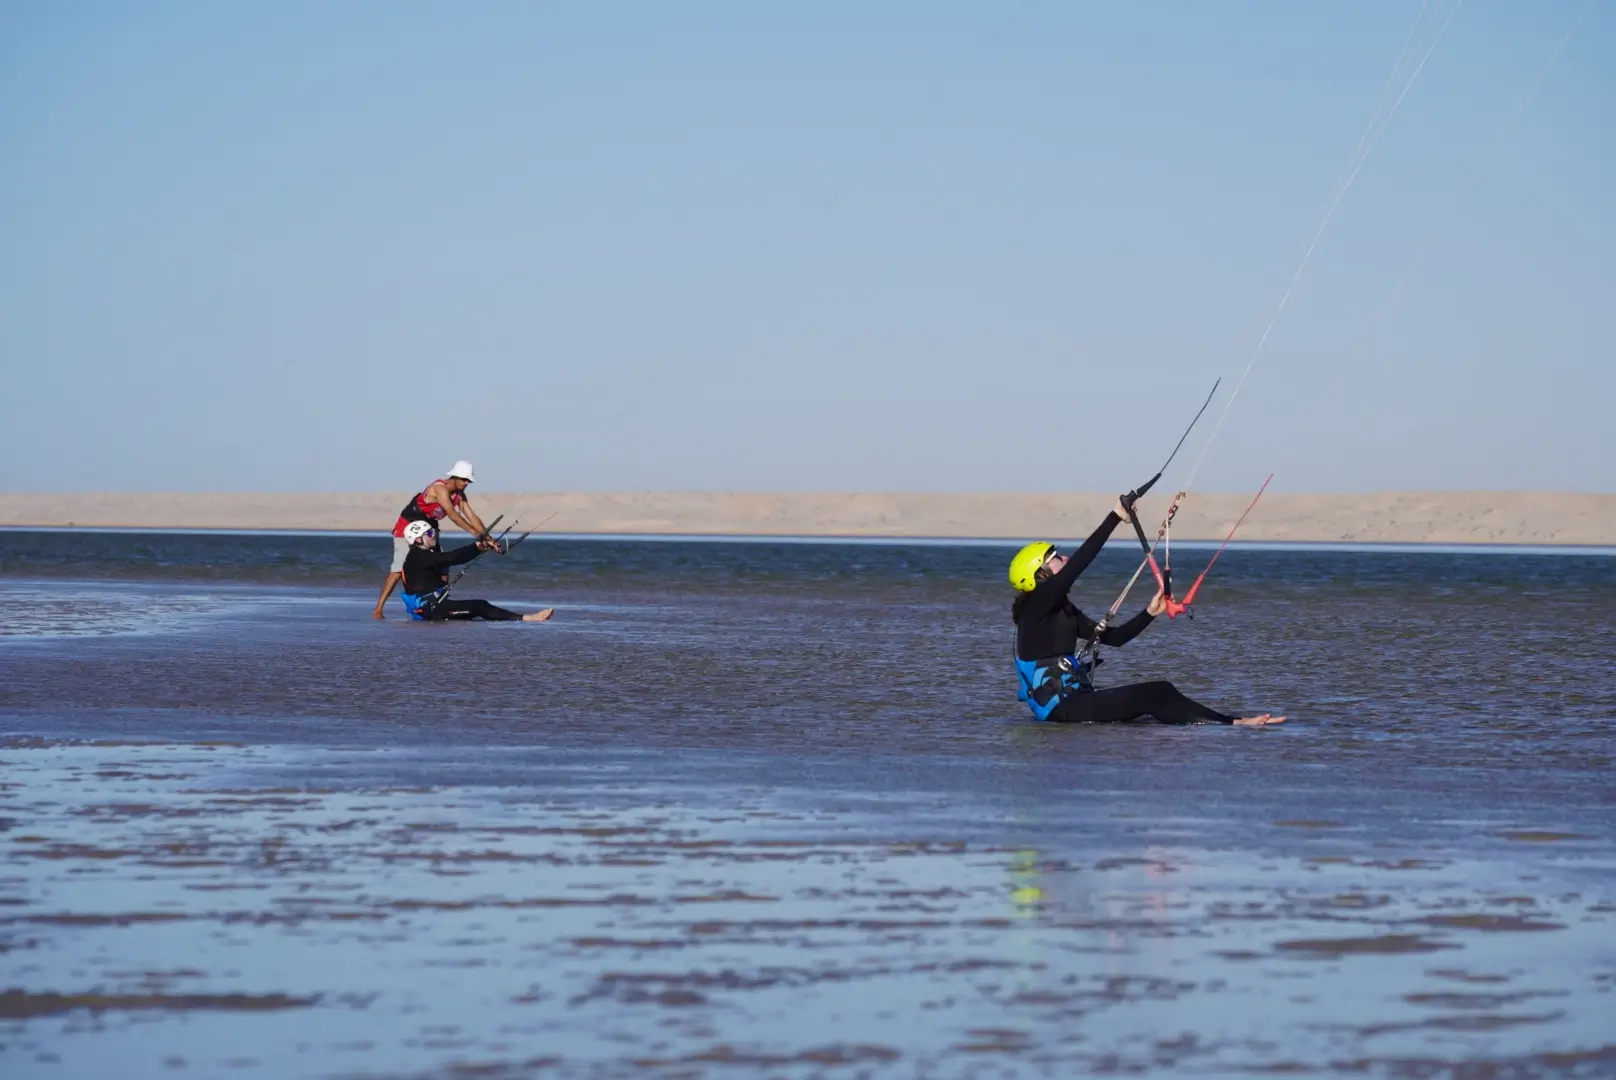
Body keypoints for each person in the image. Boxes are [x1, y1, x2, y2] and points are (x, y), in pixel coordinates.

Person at [1009, 496, 1284, 726]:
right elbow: (1082, 561)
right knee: (1154, 694)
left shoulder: (1062, 609)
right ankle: (1233, 724)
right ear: (1039, 575)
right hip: (1062, 709)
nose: (1064, 559)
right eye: (1055, 559)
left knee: (1157, 693)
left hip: (1073, 702)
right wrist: (1116, 515)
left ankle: (1228, 722)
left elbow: (1114, 639)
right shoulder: (1036, 605)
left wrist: (1150, 613)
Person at [373, 462, 493, 619]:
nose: (466, 484)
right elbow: (452, 514)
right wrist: (474, 533)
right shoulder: (439, 489)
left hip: (428, 531)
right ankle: (378, 608)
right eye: (464, 480)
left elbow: (471, 516)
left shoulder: (459, 496)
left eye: (468, 481)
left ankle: (440, 600)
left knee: (443, 563)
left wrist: (487, 537)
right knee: (398, 568)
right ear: (454, 477)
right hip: (408, 527)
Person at [397, 521, 554, 623]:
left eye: (434, 533)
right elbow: (452, 558)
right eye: (430, 534)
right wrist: (476, 547)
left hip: (432, 608)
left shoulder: (422, 556)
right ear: (417, 540)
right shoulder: (418, 556)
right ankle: (528, 618)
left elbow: (444, 564)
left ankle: (522, 617)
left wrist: (479, 548)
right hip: (429, 610)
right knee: (479, 606)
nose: (434, 536)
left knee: (474, 610)